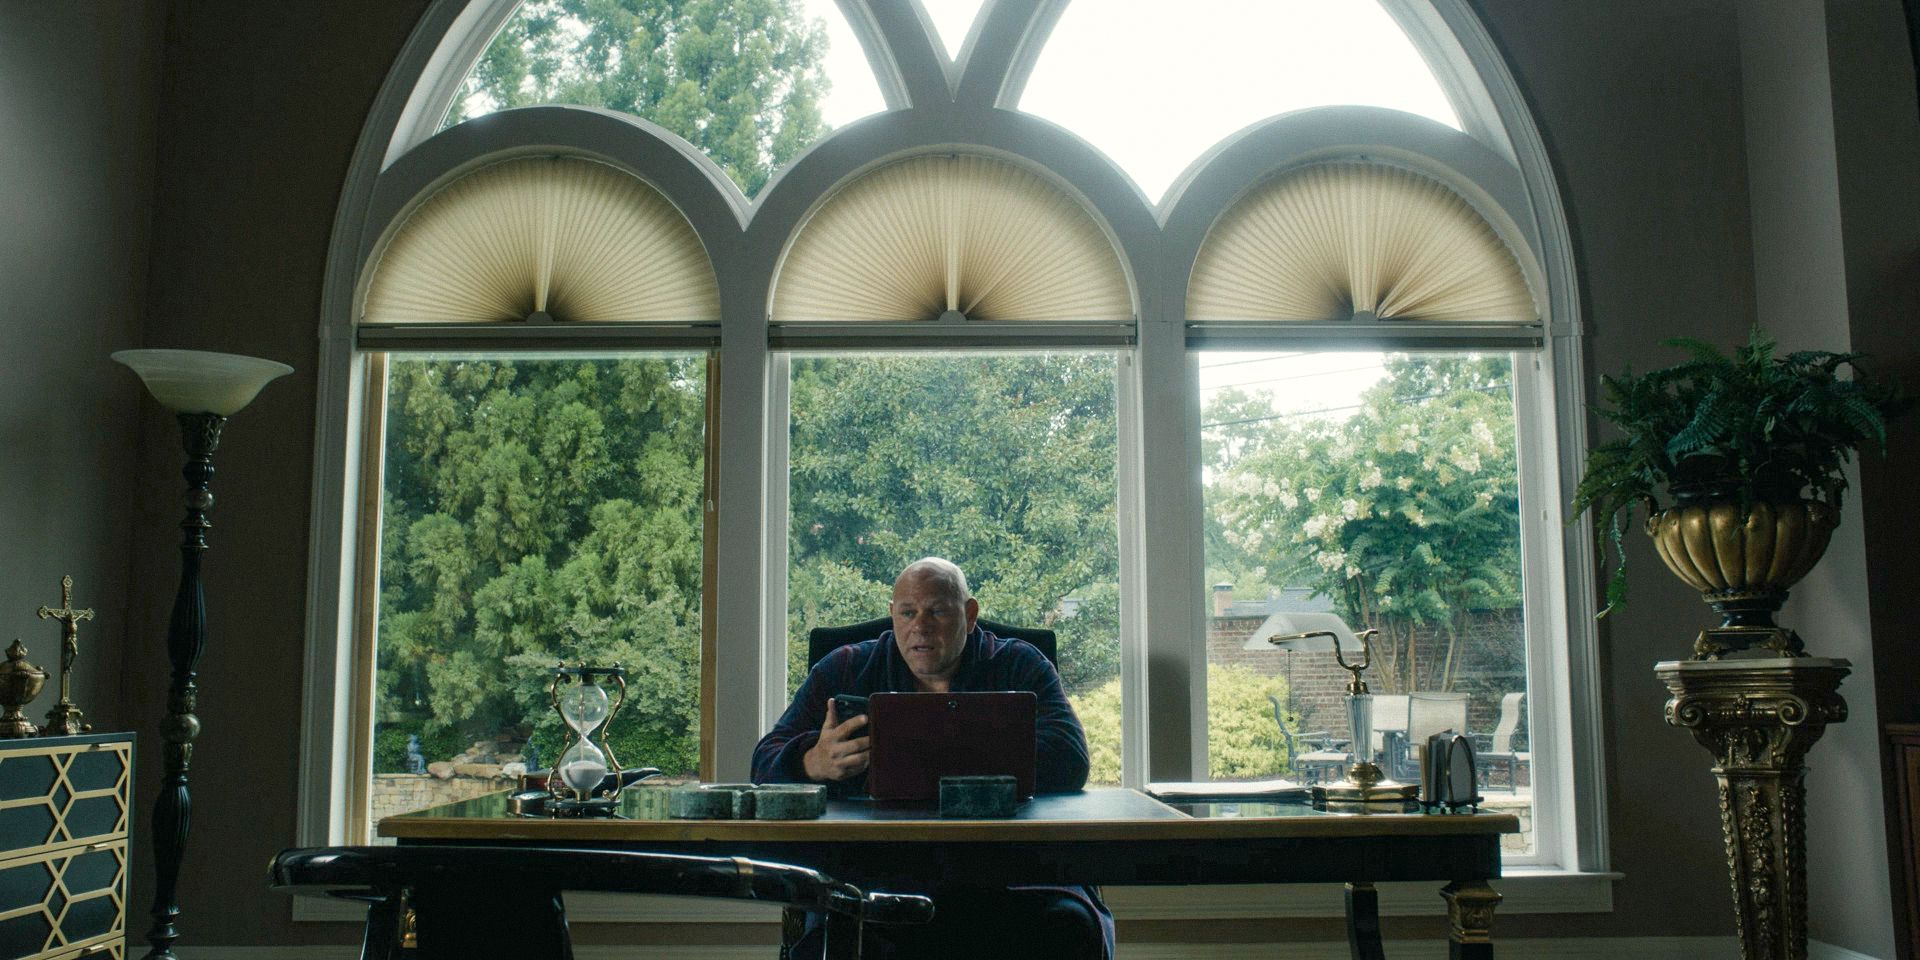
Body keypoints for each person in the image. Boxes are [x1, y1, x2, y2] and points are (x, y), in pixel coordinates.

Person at [752, 557, 1111, 960]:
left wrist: (938, 752)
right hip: (875, 873)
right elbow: (763, 760)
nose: (919, 627)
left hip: (1010, 871)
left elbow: (1071, 757)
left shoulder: (1019, 665)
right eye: (907, 612)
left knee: (1069, 927)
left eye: (937, 611)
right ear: (892, 616)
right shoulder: (845, 668)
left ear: (969, 614)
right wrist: (809, 762)